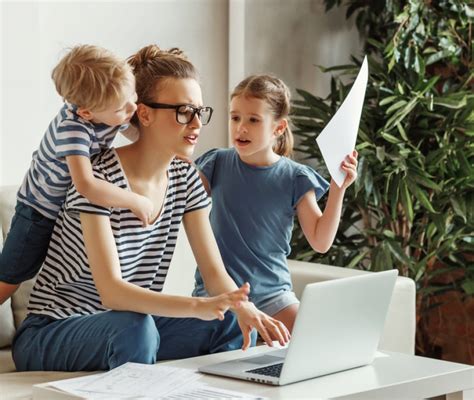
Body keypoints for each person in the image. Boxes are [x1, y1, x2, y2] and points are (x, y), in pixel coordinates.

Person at [12, 46, 290, 372]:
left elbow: (215, 274)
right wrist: (197, 305)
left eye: (201, 111)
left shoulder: (185, 177)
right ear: (144, 114)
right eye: (185, 111)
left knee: (228, 320)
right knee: (135, 328)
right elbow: (112, 293)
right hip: (53, 330)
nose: (197, 123)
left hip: (124, 326)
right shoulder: (97, 177)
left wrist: (245, 308)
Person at [193, 74, 358, 333]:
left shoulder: (296, 177)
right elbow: (176, 201)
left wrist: (339, 188)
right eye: (235, 117)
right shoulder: (216, 163)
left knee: (313, 339)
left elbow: (320, 241)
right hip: (218, 296)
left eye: (253, 120)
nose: (241, 128)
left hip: (274, 297)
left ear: (278, 128)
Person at [0, 44, 154, 304]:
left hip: (62, 212)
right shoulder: (73, 129)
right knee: (11, 277)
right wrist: (134, 200)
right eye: (121, 108)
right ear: (86, 112)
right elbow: (86, 185)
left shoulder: (112, 108)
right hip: (37, 212)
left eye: (133, 96)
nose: (132, 108)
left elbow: (140, 135)